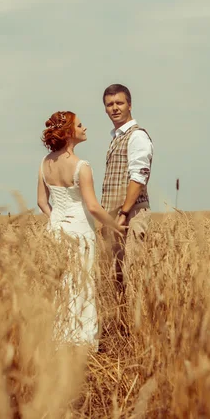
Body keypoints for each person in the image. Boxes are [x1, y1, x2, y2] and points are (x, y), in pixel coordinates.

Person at [37, 110, 126, 348]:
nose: (84, 128)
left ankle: (60, 338)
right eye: (80, 125)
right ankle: (80, 340)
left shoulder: (45, 163)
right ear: (68, 133)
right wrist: (115, 225)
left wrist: (56, 217)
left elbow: (42, 202)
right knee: (82, 284)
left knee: (62, 284)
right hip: (79, 231)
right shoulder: (81, 166)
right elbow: (94, 207)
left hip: (56, 230)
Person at [101, 84, 153, 296]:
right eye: (109, 104)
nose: (114, 108)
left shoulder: (137, 136)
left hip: (131, 214)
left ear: (130, 105)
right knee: (116, 274)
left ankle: (136, 326)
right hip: (116, 216)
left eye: (119, 103)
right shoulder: (116, 137)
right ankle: (122, 326)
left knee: (133, 272)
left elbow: (138, 177)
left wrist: (123, 214)